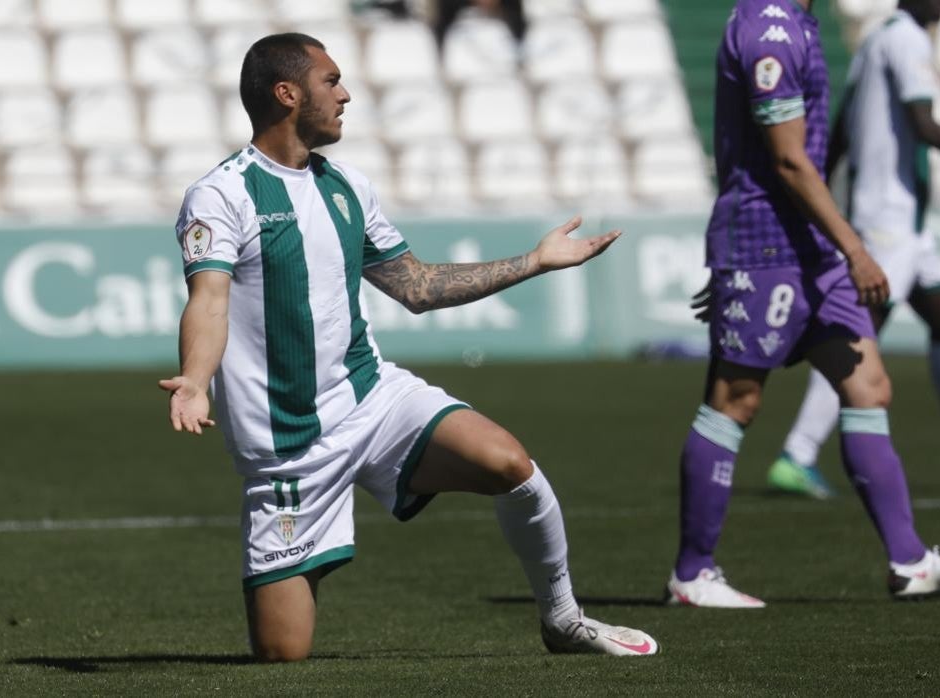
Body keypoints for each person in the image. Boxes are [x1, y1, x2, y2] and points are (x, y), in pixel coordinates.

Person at [159, 33, 657, 660]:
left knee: (510, 465)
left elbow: (416, 287)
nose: (345, 94)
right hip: (287, 451)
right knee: (282, 658)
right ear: (287, 94)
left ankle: (563, 619)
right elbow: (208, 300)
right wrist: (197, 379)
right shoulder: (221, 193)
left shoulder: (346, 187)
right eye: (330, 81)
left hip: (372, 402)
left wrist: (534, 261)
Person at [666, 0, 940, 608]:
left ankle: (909, 561)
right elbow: (789, 159)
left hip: (810, 247)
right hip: (770, 243)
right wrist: (856, 250)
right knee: (735, 400)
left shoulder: (796, 24)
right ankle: (693, 573)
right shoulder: (770, 31)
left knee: (868, 385)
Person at [764, 0, 940, 500]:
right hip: (888, 223)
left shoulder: (874, 39)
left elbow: (845, 128)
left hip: (903, 226)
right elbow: (924, 124)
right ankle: (796, 454)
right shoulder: (908, 38)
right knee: (856, 341)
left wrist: (821, 193)